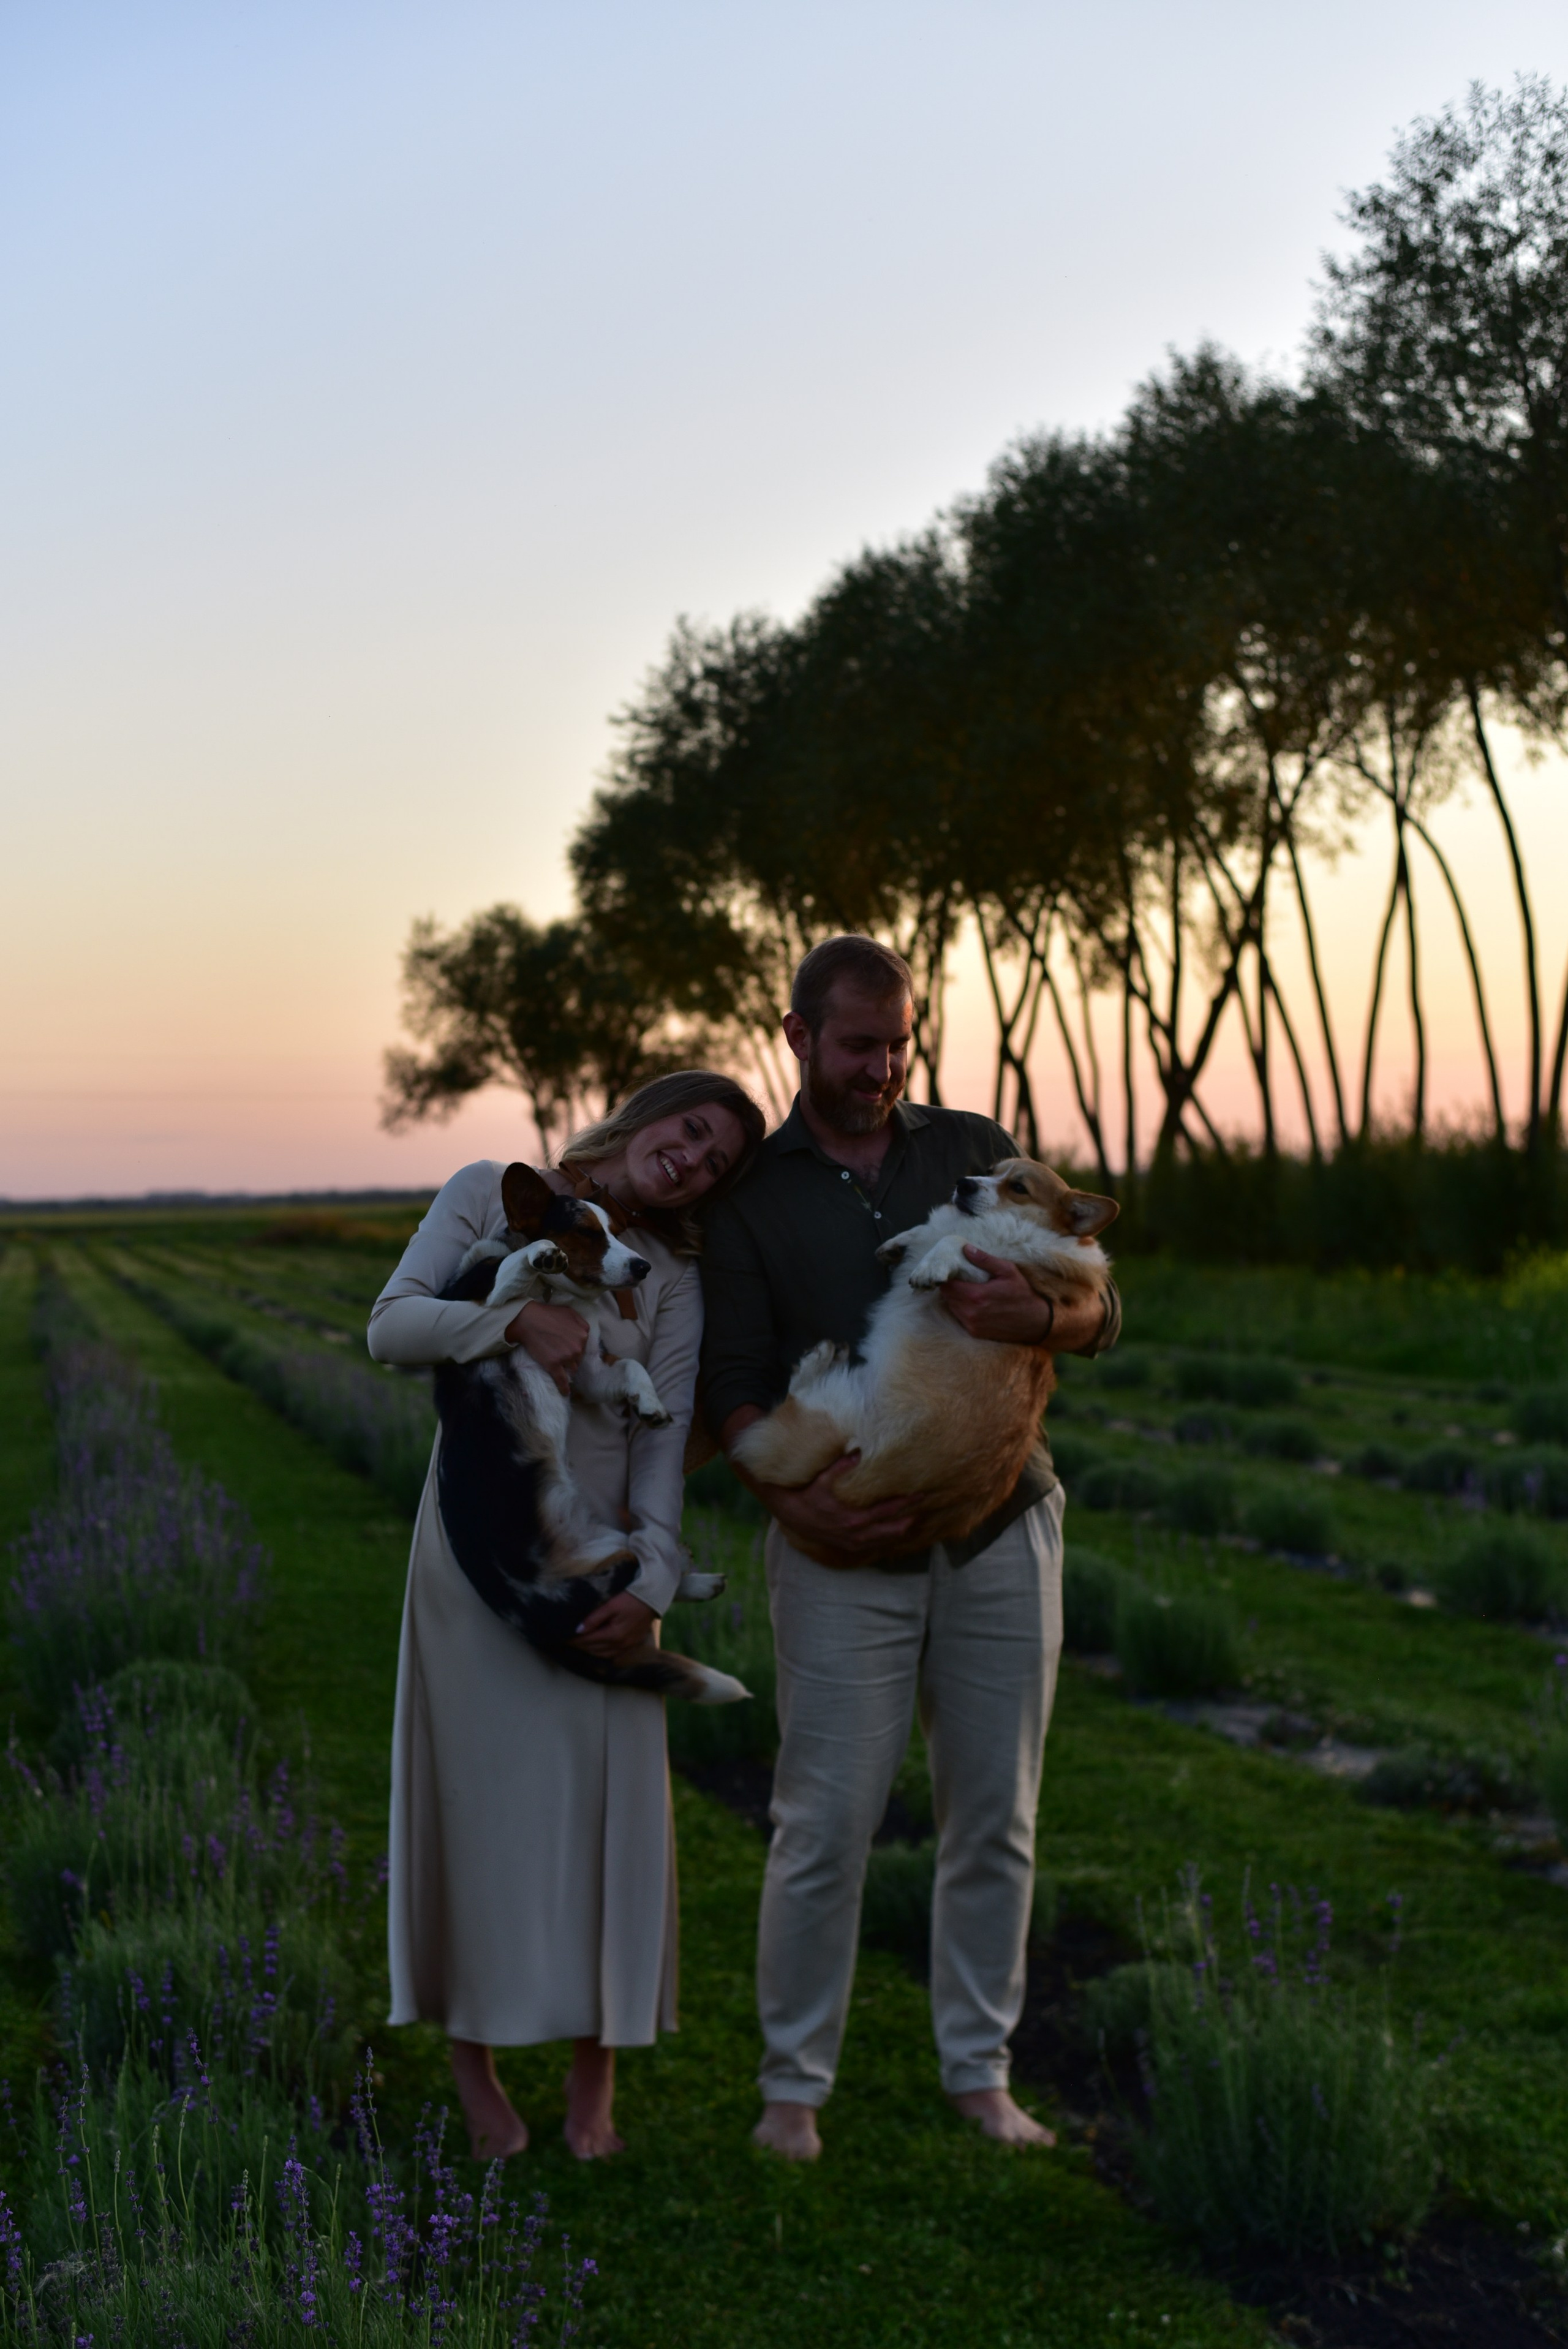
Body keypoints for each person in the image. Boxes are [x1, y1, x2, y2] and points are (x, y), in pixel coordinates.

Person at [699, 936, 1120, 2161]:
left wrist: (1039, 1312)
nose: (881, 1065)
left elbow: (1101, 1304)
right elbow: (728, 1377)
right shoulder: (751, 1195)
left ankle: (977, 2070)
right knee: (822, 1820)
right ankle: (792, 2088)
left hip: (999, 1521)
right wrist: (789, 1505)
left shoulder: (973, 1151)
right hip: (846, 1533)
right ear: (795, 1037)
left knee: (993, 1812)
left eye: (896, 1042)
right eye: (855, 1044)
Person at [369, 1071, 764, 2160]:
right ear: (645, 1118)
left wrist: (651, 1582)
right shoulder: (487, 1196)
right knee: (476, 1808)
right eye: (690, 1131)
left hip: (603, 1558)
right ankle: (476, 2072)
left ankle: (595, 2085)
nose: (693, 1160)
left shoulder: (671, 1278)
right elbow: (391, 1328)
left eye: (718, 1160)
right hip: (472, 1542)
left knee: (605, 1812)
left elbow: (663, 1434)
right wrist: (515, 1321)